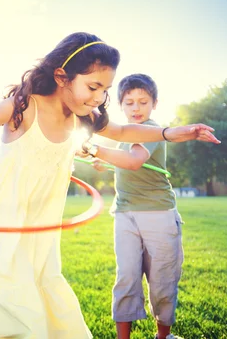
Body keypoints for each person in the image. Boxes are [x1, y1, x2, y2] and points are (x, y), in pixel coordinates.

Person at [0, 32, 220, 338]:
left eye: (105, 90)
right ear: (62, 76)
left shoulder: (81, 116)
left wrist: (173, 132)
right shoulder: (24, 108)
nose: (99, 98)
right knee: (21, 313)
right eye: (93, 86)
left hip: (41, 233)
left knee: (54, 305)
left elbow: (125, 132)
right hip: (4, 227)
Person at [88, 74, 185, 339]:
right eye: (129, 103)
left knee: (162, 281)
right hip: (124, 213)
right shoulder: (123, 133)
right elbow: (124, 164)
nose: (136, 108)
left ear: (154, 103)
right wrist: (106, 163)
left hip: (158, 214)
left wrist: (95, 150)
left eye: (143, 102)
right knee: (126, 278)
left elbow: (134, 161)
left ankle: (163, 336)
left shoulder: (151, 129)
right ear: (121, 105)